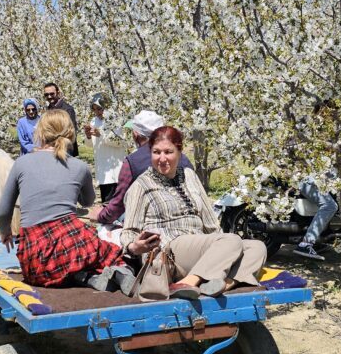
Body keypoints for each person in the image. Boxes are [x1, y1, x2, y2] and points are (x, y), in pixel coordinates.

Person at [0, 109, 136, 294]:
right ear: (70, 133)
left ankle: (84, 277)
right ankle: (118, 270)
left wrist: (5, 232)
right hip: (73, 241)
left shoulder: (22, 163)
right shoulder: (79, 166)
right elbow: (87, 201)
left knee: (47, 268)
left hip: (36, 255)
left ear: (41, 132)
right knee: (104, 252)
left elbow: (3, 212)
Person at [119, 126, 264, 300]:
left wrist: (224, 250)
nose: (162, 158)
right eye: (156, 152)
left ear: (179, 152)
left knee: (257, 247)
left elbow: (211, 223)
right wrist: (134, 247)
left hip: (200, 247)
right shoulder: (141, 186)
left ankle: (221, 284)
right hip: (169, 251)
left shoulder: (189, 176)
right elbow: (128, 232)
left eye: (168, 152)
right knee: (231, 240)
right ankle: (186, 283)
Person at [93, 110, 191, 227]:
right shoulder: (183, 159)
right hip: (187, 219)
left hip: (151, 225)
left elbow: (118, 205)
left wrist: (100, 215)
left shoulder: (133, 162)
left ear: (135, 134)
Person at [83, 93, 126, 203]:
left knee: (116, 204)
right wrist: (88, 135)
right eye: (95, 110)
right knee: (106, 203)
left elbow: (120, 142)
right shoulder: (94, 121)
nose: (97, 112)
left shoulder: (116, 120)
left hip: (115, 170)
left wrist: (101, 134)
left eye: (100, 109)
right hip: (102, 170)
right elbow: (89, 145)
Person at [293, 176, 338, 260]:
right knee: (330, 206)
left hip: (313, 181)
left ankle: (319, 240)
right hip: (307, 181)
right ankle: (306, 244)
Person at [42, 82, 78, 157]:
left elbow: (71, 131)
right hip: (51, 148)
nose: (49, 96)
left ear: (58, 93)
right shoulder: (49, 108)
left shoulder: (67, 109)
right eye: (46, 95)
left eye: (52, 94)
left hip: (65, 149)